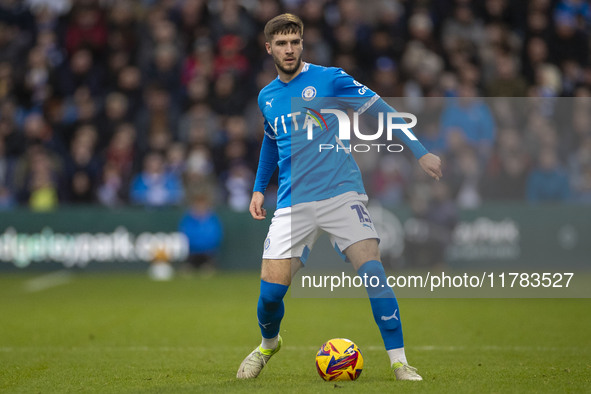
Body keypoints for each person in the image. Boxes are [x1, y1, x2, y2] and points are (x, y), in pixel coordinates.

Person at [236, 14, 442, 382]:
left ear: (302, 43)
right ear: (269, 48)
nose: (289, 49)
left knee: (375, 275)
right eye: (281, 44)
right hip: (292, 204)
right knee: (269, 298)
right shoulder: (267, 96)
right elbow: (271, 141)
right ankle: (269, 344)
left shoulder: (330, 78)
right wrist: (257, 187)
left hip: (341, 194)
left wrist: (420, 151)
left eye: (295, 42)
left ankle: (399, 362)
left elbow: (381, 110)